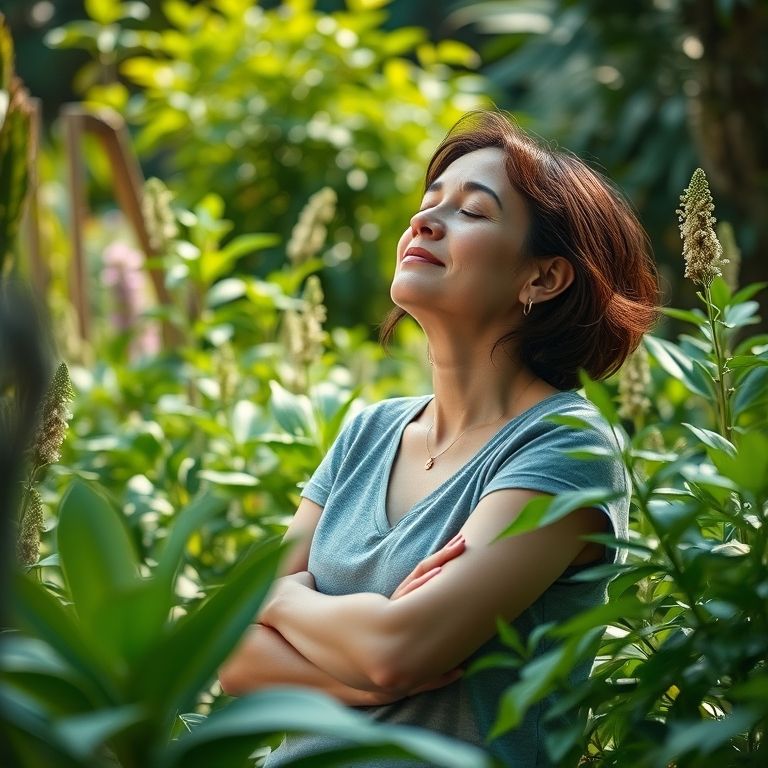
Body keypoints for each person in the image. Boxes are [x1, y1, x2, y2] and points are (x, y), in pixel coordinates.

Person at [219, 109, 659, 767]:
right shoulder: (369, 431)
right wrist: (349, 674)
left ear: (542, 278)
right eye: (429, 205)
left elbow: (398, 652)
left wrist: (280, 600)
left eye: (473, 213)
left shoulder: (565, 448)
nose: (425, 222)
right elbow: (230, 654)